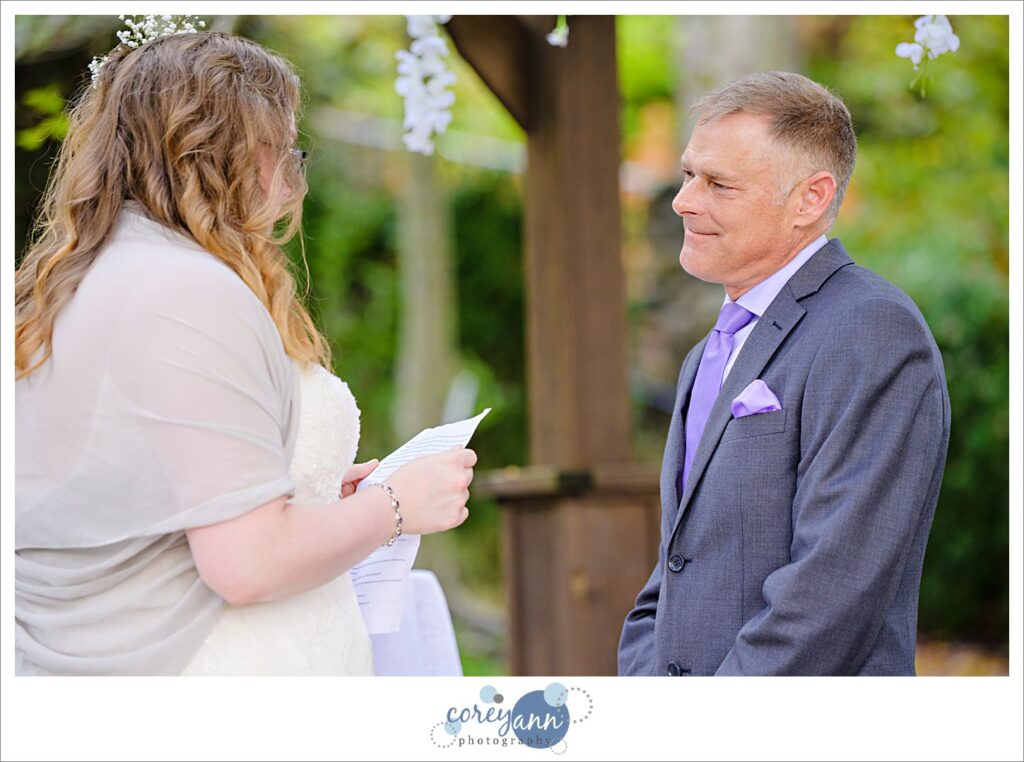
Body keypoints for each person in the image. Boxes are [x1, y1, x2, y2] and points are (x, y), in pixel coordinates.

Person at [14, 28, 476, 675]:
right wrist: (395, 506)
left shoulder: (65, 285)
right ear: (227, 151)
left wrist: (310, 492)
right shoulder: (190, 293)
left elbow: (131, 492)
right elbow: (247, 562)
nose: (293, 187)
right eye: (286, 152)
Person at [618, 71, 951, 676]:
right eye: (689, 174)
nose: (683, 200)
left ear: (810, 199)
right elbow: (677, 567)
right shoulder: (708, 352)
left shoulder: (871, 330)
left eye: (719, 183)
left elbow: (834, 589)